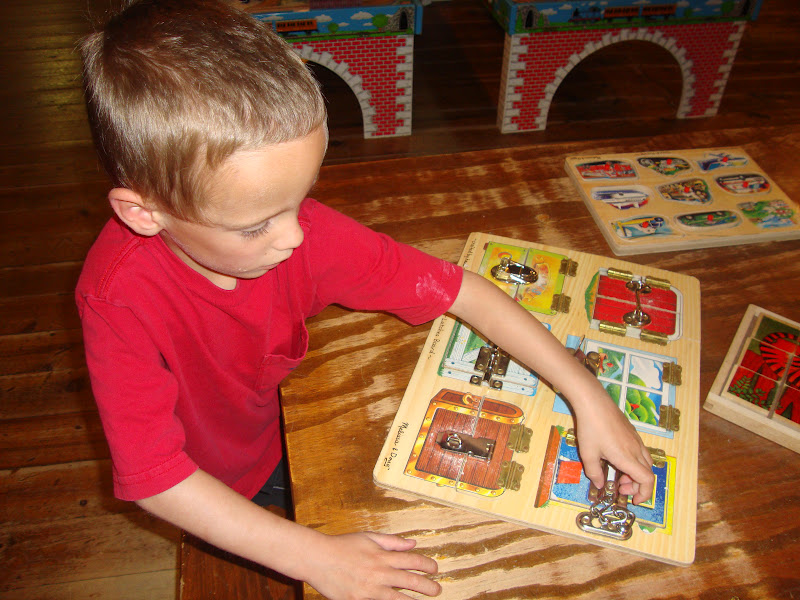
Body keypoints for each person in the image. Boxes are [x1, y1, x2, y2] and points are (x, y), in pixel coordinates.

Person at [76, 1, 655, 598]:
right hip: (217, 483)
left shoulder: (299, 231)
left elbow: (462, 291)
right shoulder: (116, 300)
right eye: (256, 226)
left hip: (280, 421)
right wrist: (314, 557)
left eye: (302, 197)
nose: (295, 236)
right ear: (143, 213)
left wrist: (587, 393)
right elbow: (157, 478)